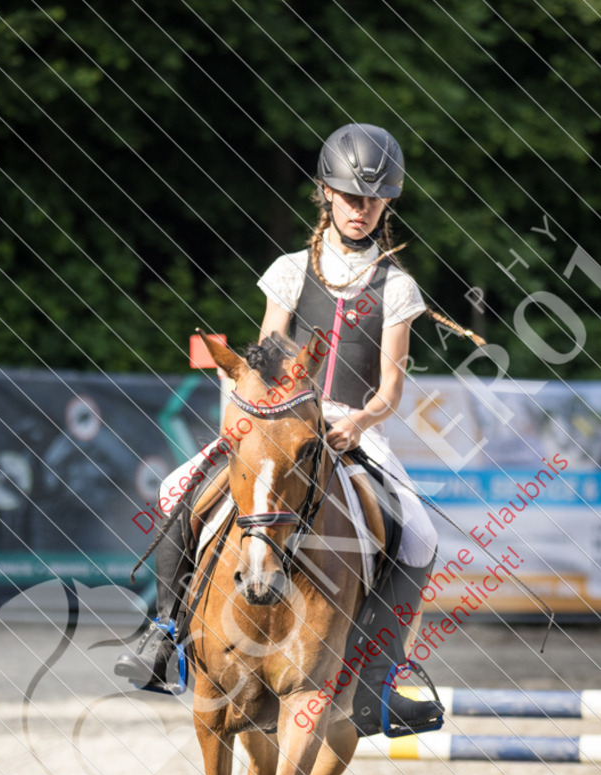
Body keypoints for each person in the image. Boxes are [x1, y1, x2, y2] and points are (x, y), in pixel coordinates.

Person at [116, 123, 442, 736]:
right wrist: (248, 422)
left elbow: (391, 391)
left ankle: (381, 679)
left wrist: (360, 423)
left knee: (419, 535)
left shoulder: (397, 286)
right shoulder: (290, 270)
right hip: (279, 421)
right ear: (326, 193)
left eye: (372, 199)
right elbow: (266, 361)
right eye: (349, 196)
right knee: (174, 491)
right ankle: (161, 634)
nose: (360, 209)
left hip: (350, 425)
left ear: (387, 203)